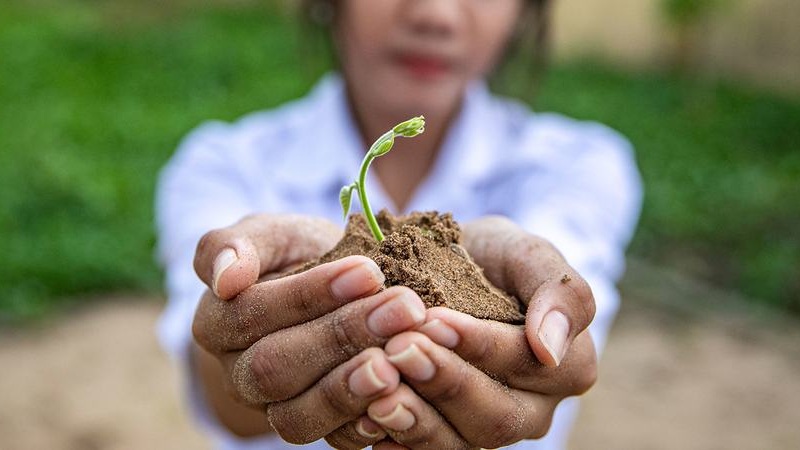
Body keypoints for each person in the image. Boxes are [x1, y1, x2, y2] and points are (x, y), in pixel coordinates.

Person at [156, 0, 642, 448]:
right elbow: (214, 368)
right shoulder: (225, 164)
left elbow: (564, 313)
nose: (435, 15)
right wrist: (241, 354)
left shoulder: (578, 165)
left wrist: (546, 321)